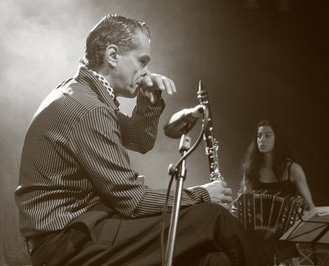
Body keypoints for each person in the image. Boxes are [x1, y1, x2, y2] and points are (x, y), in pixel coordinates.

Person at [15, 14, 260, 266]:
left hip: (77, 231)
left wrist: (148, 99)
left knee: (213, 259)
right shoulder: (89, 108)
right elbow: (132, 201)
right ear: (112, 56)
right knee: (214, 219)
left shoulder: (82, 93)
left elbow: (138, 140)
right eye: (142, 62)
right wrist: (201, 195)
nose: (146, 72)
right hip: (69, 241)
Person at [234, 120, 315, 265]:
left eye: (267, 135)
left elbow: (311, 207)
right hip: (255, 238)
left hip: (285, 238)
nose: (262, 139)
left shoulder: (293, 169)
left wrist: (301, 215)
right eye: (259, 136)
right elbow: (244, 202)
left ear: (277, 139)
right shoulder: (251, 170)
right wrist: (236, 206)